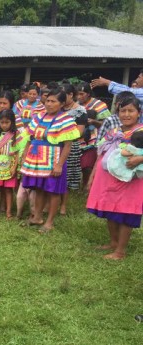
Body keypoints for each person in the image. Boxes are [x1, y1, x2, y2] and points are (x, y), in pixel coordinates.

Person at [86, 96, 143, 259]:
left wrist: (140, 158)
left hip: (131, 182)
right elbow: (101, 153)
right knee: (110, 209)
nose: (126, 114)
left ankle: (121, 251)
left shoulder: (141, 131)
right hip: (107, 178)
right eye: (122, 111)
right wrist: (92, 177)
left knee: (126, 212)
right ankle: (113, 242)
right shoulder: (113, 132)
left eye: (130, 111)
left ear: (138, 113)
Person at [20, 88, 80, 233]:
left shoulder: (65, 120)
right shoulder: (38, 117)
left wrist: (59, 165)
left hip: (54, 160)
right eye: (47, 100)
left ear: (61, 104)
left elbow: (67, 145)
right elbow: (29, 139)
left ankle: (49, 222)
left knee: (53, 191)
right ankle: (37, 217)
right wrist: (24, 157)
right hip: (37, 160)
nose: (49, 104)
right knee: (40, 188)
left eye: (53, 101)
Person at [0, 110, 27, 218]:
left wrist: (14, 167)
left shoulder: (16, 134)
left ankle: (8, 212)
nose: (4, 125)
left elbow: (17, 153)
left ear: (12, 122)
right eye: (2, 122)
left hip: (10, 164)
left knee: (8, 189)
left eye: (7, 122)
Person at [60, 83, 88, 213]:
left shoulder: (80, 111)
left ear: (71, 95)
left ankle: (63, 206)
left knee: (66, 176)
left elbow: (79, 132)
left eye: (63, 95)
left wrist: (60, 134)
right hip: (55, 146)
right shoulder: (57, 107)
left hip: (70, 146)